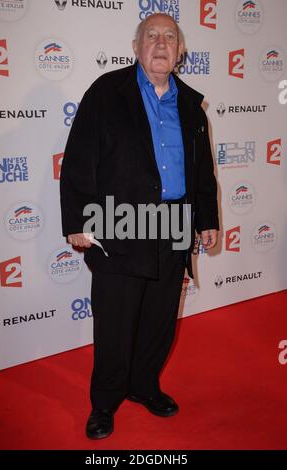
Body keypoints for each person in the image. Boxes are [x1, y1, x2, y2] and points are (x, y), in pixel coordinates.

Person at [60, 13, 219, 440]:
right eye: (152, 36)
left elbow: (201, 170)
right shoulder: (106, 92)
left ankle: (144, 385)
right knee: (115, 321)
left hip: (174, 223)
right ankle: (106, 401)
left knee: (159, 318)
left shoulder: (190, 102)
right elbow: (78, 159)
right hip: (119, 224)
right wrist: (78, 219)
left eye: (170, 37)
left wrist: (206, 219)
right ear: (136, 47)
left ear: (180, 50)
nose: (162, 43)